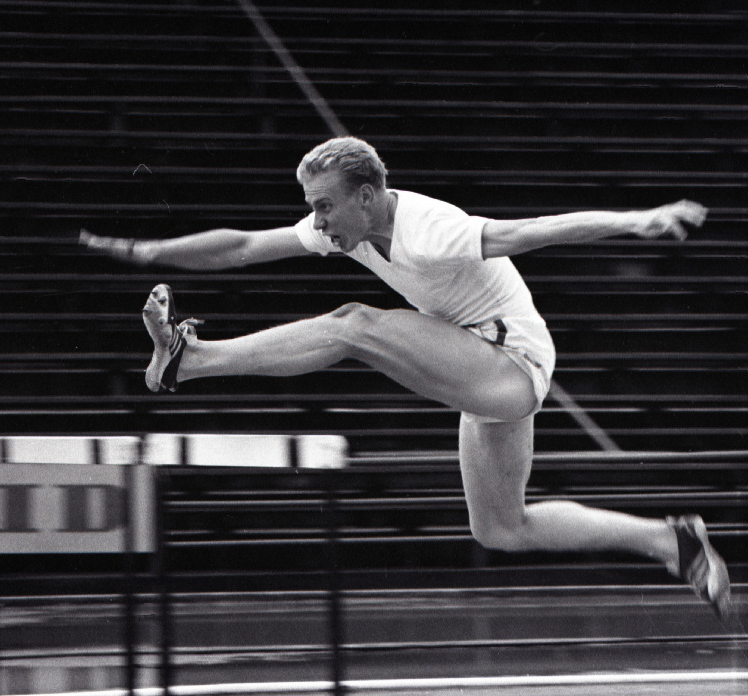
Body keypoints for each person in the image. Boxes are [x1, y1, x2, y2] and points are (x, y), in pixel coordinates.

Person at [80, 136, 731, 618]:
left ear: (368, 197)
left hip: (511, 364)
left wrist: (633, 220)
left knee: (353, 323)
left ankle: (190, 360)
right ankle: (670, 541)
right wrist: (148, 252)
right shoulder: (344, 230)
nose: (318, 220)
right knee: (501, 529)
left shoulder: (430, 230)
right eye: (312, 207)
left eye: (326, 206)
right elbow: (244, 246)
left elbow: (532, 231)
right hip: (478, 367)